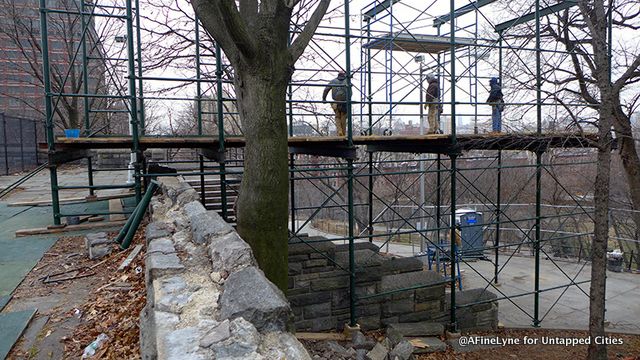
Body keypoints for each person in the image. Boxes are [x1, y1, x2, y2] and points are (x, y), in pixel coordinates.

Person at [322, 71, 349, 136]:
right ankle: (344, 133)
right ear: (344, 75)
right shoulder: (347, 81)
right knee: (343, 117)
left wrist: (324, 99)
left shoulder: (333, 81)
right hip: (345, 102)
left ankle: (339, 130)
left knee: (337, 117)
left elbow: (326, 90)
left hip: (335, 102)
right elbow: (350, 93)